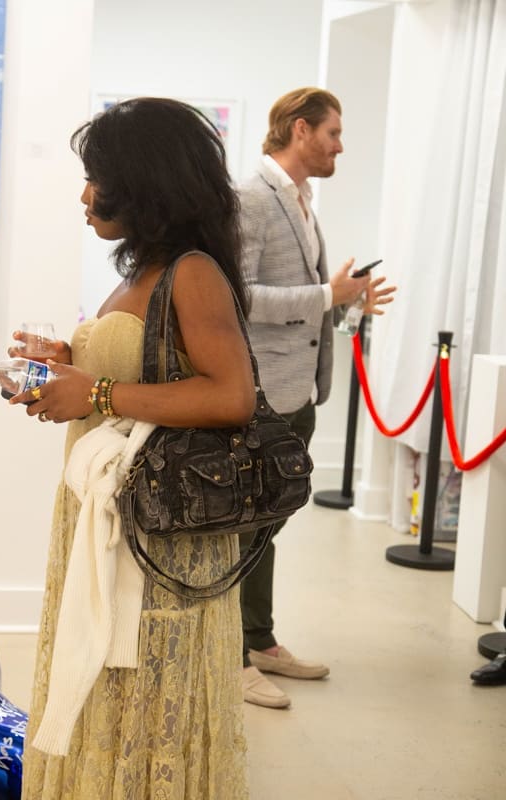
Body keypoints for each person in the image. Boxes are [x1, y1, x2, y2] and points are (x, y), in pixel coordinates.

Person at [8, 98, 256, 799]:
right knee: (110, 692)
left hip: (155, 537)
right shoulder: (144, 268)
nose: (85, 194)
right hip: (109, 522)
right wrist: (66, 360)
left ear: (147, 183)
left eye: (99, 177)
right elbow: (151, 364)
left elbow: (229, 395)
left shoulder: (193, 271)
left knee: (145, 695)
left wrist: (96, 396)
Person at [237, 87, 396, 709]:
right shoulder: (251, 197)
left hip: (298, 390)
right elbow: (240, 297)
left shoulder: (301, 199)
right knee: (246, 524)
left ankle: (259, 641)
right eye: (333, 133)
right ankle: (231, 657)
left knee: (267, 523)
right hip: (262, 392)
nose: (339, 146)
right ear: (300, 129)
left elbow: (300, 306)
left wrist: (346, 301)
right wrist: (329, 295)